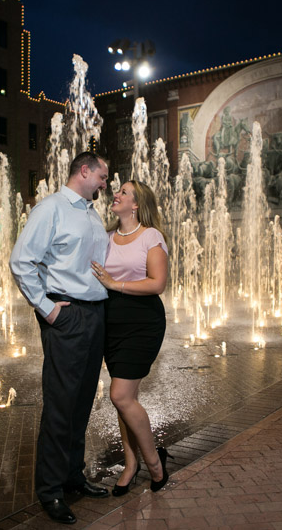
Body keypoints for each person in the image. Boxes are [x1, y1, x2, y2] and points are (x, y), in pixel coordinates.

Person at [9, 152, 110, 525]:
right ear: (84, 171)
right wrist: (47, 309)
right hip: (67, 316)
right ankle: (50, 490)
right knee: (60, 403)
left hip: (95, 314)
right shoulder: (51, 208)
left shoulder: (88, 211)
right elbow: (21, 261)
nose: (105, 183)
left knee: (82, 401)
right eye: (102, 175)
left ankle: (72, 476)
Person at [90, 180, 173, 497]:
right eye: (118, 191)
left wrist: (115, 284)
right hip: (112, 322)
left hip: (142, 321)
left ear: (136, 205)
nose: (117, 195)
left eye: (124, 193)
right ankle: (130, 463)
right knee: (124, 399)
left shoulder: (151, 236)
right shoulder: (107, 237)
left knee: (120, 396)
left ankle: (154, 464)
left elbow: (157, 283)